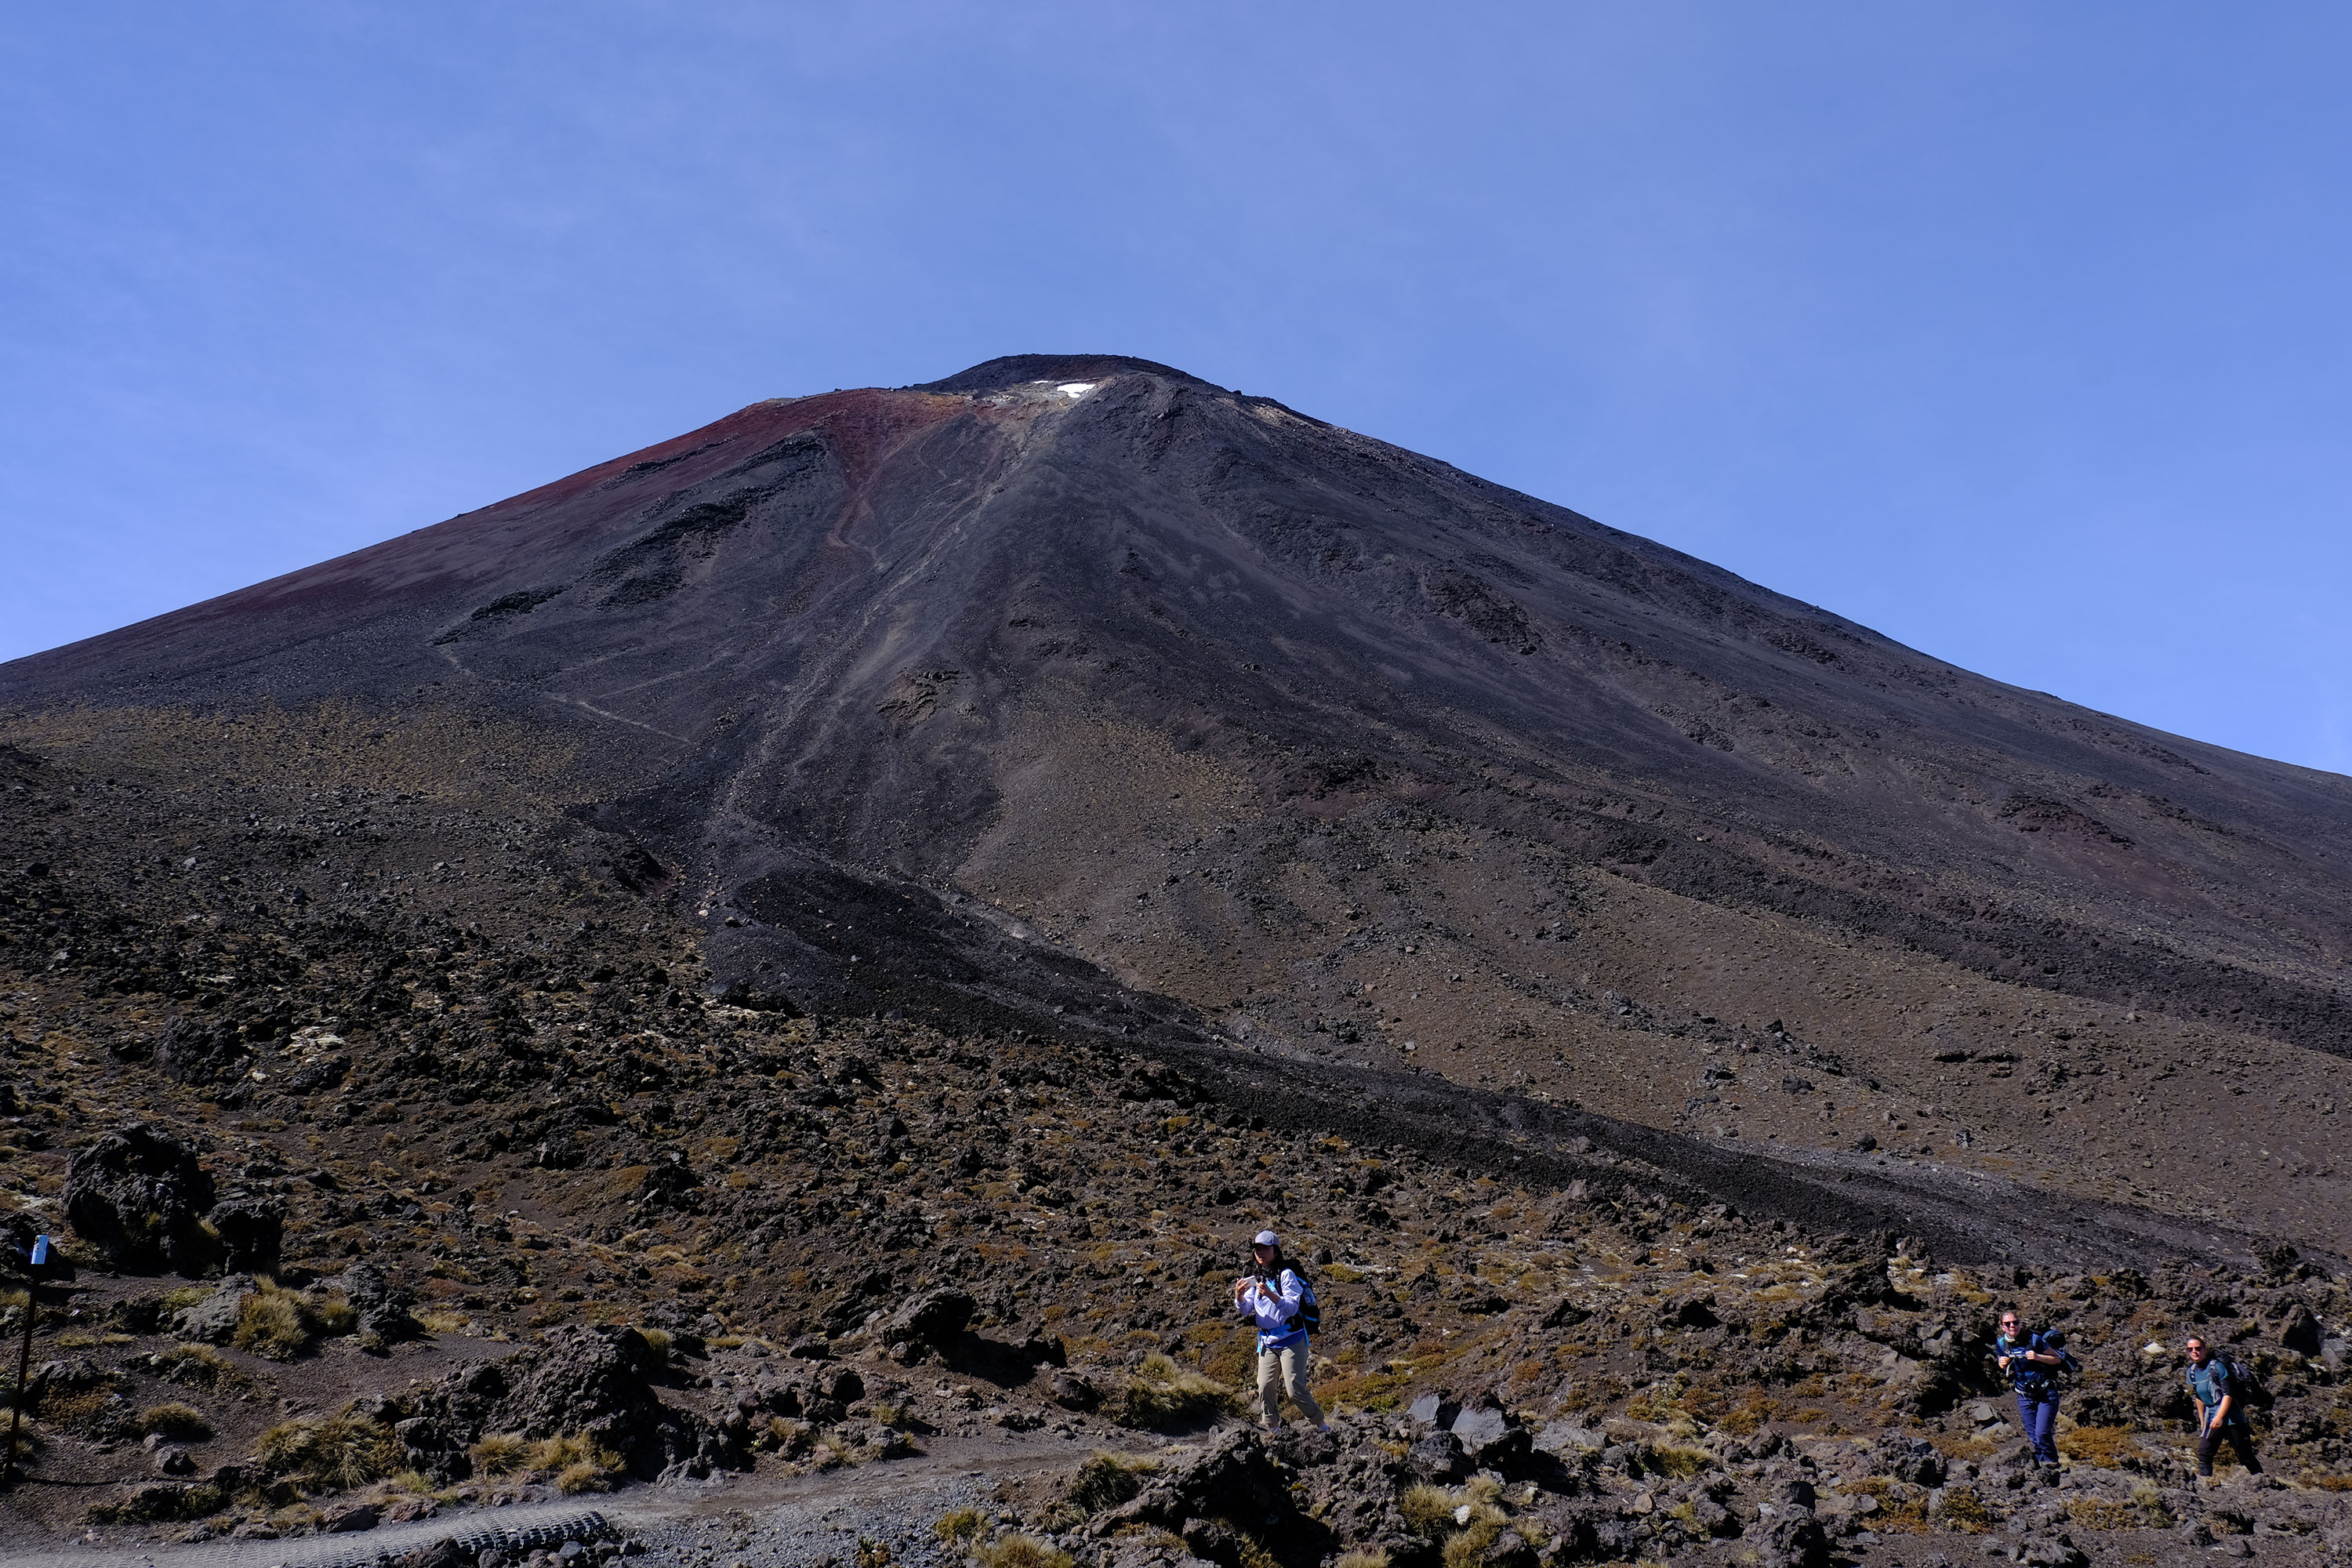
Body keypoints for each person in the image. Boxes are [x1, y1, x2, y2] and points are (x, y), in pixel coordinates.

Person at [1232, 1229, 1327, 1432]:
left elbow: (1292, 1307)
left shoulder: (1286, 1275)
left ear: (1275, 1251)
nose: (1261, 1253)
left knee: (1295, 1390)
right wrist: (1239, 1297)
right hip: (1267, 1342)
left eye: (1265, 1249)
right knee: (1264, 1387)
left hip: (1292, 1339)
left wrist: (1270, 1295)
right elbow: (1247, 1309)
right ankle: (1273, 1430)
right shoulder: (1254, 1279)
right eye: (1258, 1249)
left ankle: (1321, 1425)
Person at [2184, 1335, 2263, 1482]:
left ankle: (2263, 1483)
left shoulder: (2216, 1367)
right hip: (2212, 1418)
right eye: (2190, 1349)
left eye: (2198, 1348)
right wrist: (2203, 1422)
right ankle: (2206, 1485)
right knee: (2204, 1455)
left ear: (2205, 1349)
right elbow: (2199, 1397)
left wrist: (2219, 1417)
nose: (2194, 1352)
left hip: (2233, 1418)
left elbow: (2228, 1394)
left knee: (2245, 1456)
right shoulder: (2192, 1372)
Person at [1994, 1309, 2064, 1467]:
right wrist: (2001, 1363)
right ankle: (2042, 1469)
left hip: (2046, 1393)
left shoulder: (2034, 1340)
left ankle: (2052, 1465)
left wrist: (2038, 1357)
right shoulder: (2001, 1344)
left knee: (2042, 1434)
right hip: (2024, 1395)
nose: (2012, 1326)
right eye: (2008, 1324)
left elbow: (2056, 1358)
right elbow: (2001, 1359)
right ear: (2002, 1327)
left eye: (2015, 1322)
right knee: (2033, 1437)